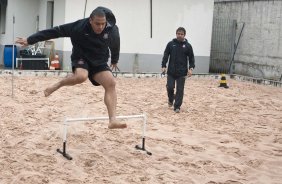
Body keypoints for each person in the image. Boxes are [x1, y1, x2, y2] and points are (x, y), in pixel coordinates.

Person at [16, 6, 127, 129]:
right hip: (81, 57)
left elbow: (116, 43)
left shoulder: (112, 28)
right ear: (90, 20)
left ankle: (112, 120)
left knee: (111, 83)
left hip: (99, 60)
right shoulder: (78, 27)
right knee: (81, 77)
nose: (100, 27)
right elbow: (55, 31)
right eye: (97, 24)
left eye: (103, 24)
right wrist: (30, 39)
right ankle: (58, 84)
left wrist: (115, 59)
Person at [161, 27, 195, 113]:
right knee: (170, 87)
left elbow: (191, 58)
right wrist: (164, 65)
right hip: (171, 72)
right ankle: (170, 99)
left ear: (184, 35)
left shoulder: (188, 46)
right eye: (178, 34)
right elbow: (166, 55)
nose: (180, 35)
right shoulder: (170, 44)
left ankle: (177, 107)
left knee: (180, 90)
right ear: (176, 34)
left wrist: (191, 68)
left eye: (181, 34)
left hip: (182, 73)